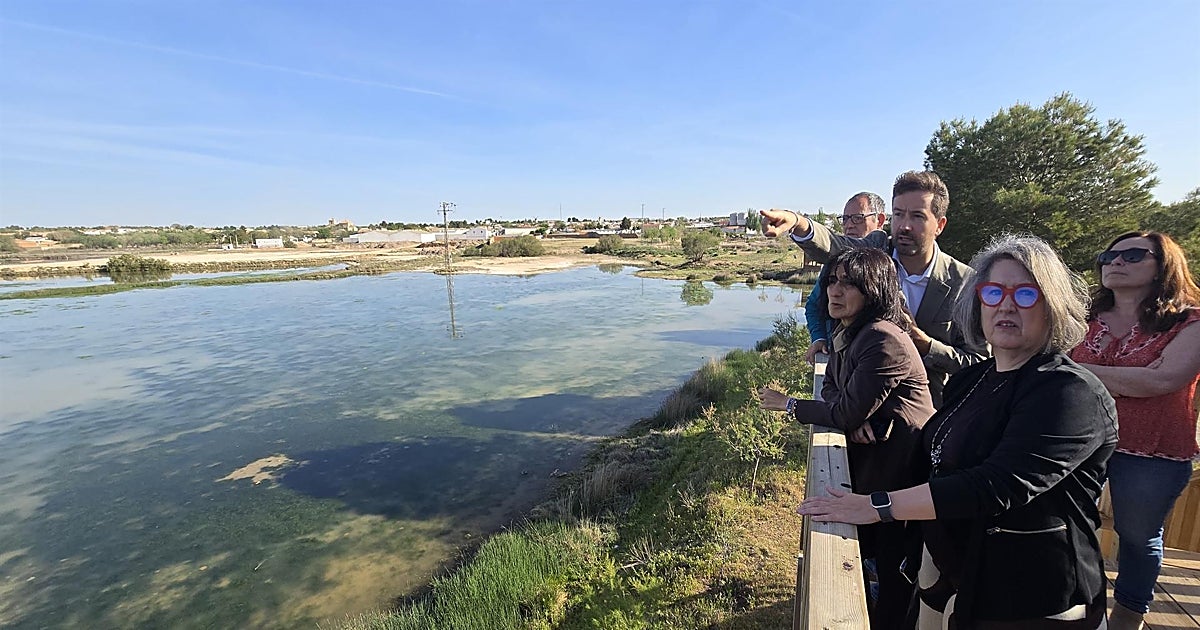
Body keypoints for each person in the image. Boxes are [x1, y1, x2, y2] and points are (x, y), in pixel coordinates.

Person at [797, 234, 1118, 629]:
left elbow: (996, 485)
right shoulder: (973, 378)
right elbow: (934, 455)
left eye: (1026, 294)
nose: (1006, 305)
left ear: (1053, 306)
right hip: (951, 573)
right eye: (993, 292)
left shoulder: (1071, 392)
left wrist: (876, 506)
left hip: (1031, 595)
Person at [760, 246, 934, 630]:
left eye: (849, 284)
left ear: (874, 291)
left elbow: (843, 410)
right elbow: (833, 390)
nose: (834, 291)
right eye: (832, 281)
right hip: (877, 465)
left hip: (903, 475)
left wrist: (790, 405)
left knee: (893, 571)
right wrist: (851, 414)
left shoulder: (883, 339)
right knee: (871, 556)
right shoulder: (849, 331)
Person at [761, 170, 986, 407]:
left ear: (939, 225)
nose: (904, 226)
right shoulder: (875, 251)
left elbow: (979, 361)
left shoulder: (964, 282)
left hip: (925, 415)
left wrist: (927, 345)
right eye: (898, 214)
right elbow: (836, 246)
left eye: (917, 216)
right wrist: (797, 222)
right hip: (855, 410)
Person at [1068, 231, 1200, 630]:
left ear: (1163, 265)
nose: (1115, 262)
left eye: (1132, 255)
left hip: (1153, 450)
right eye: (1108, 256)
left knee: (1138, 536)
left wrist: (1076, 371)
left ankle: (1129, 614)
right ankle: (1073, 599)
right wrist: (1132, 378)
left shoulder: (1189, 321)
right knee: (1068, 522)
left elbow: (1164, 380)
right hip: (1079, 442)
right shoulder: (1080, 315)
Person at [803, 192, 888, 365]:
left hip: (876, 359)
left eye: (857, 218)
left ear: (879, 220)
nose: (849, 225)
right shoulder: (834, 264)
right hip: (838, 358)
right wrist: (819, 338)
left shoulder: (890, 262)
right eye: (845, 219)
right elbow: (813, 306)